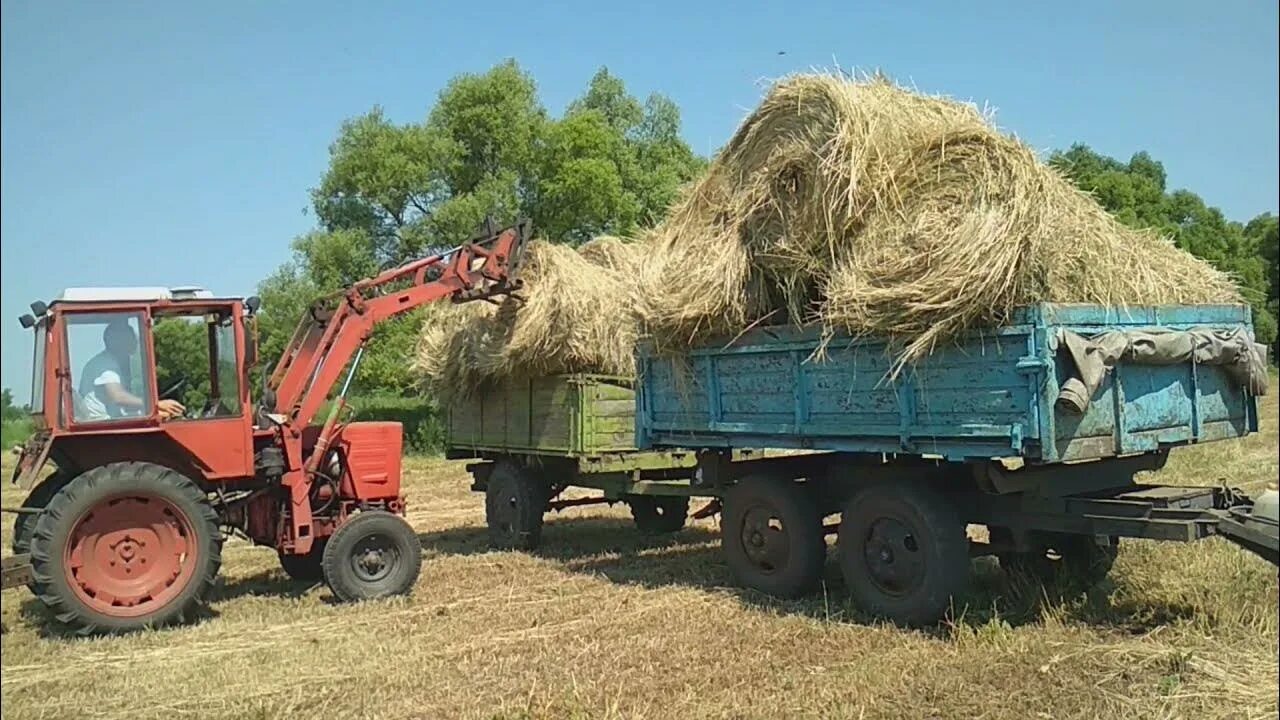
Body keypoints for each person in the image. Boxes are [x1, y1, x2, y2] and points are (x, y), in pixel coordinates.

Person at [78, 319, 185, 421]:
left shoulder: (113, 362)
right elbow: (117, 396)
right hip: (101, 423)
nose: (135, 340)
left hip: (112, 420)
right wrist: (155, 404)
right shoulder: (105, 364)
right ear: (116, 340)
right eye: (129, 336)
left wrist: (155, 410)